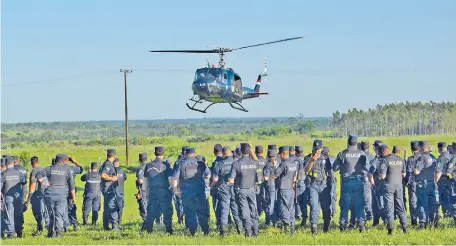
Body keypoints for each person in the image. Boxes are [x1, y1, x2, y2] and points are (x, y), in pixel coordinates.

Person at [171, 147, 211, 236]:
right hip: (200, 191)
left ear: (185, 154)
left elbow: (174, 179)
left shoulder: (180, 163)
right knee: (202, 211)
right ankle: (206, 231)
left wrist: (176, 191)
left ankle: (193, 232)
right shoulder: (200, 163)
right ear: (194, 154)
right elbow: (208, 175)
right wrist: (204, 184)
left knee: (190, 212)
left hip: (187, 192)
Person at [333, 135, 368, 232]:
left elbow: (334, 168)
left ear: (348, 142)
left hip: (346, 182)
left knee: (345, 205)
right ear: (357, 143)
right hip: (359, 182)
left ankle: (343, 225)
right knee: (360, 204)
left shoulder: (342, 154)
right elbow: (367, 168)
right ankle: (361, 225)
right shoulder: (362, 153)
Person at [37, 154, 76, 238]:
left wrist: (45, 183)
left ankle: (50, 232)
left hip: (50, 194)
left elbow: (38, 176)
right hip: (61, 195)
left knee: (50, 214)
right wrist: (73, 198)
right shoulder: (67, 170)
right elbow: (71, 186)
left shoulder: (49, 168)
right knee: (59, 214)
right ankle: (59, 233)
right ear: (63, 161)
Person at [228, 143, 259, 237]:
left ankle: (248, 232)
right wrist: (251, 150)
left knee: (244, 211)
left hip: (241, 190)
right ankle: (256, 232)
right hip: (252, 190)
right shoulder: (254, 163)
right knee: (253, 210)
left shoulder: (236, 164)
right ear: (249, 151)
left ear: (240, 151)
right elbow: (256, 160)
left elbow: (231, 180)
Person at [211, 146, 242, 236]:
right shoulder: (236, 162)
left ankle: (223, 232)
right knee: (235, 209)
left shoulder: (219, 164)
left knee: (224, 211)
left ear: (223, 154)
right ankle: (240, 230)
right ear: (231, 153)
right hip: (235, 189)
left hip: (224, 189)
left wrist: (211, 186)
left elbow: (215, 179)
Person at [141, 146, 173, 234]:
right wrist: (174, 189)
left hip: (152, 192)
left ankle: (149, 231)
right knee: (167, 212)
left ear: (155, 154)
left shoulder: (148, 165)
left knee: (151, 212)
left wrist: (144, 192)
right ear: (163, 153)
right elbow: (170, 179)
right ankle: (169, 231)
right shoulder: (166, 165)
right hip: (164, 192)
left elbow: (145, 182)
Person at [377, 144, 408, 235]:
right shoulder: (401, 160)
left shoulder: (386, 160)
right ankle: (405, 229)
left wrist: (380, 176)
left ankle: (390, 230)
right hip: (399, 186)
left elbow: (383, 176)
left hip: (389, 186)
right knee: (401, 208)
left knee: (389, 208)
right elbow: (404, 174)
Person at [304, 140, 332, 234]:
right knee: (314, 206)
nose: (317, 152)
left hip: (324, 184)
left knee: (326, 207)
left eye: (319, 150)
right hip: (313, 185)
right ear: (313, 148)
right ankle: (314, 228)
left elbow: (330, 171)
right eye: (316, 149)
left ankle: (326, 227)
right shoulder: (308, 158)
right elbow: (305, 170)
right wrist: (312, 160)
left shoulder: (325, 158)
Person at [414, 141, 441, 229]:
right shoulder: (433, 157)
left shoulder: (422, 158)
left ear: (422, 148)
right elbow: (438, 171)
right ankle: (432, 221)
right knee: (431, 204)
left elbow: (416, 171)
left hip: (423, 184)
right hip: (431, 183)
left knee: (422, 203)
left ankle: (422, 224)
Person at [274, 146, 299, 235]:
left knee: (283, 208)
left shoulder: (283, 164)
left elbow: (275, 174)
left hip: (283, 189)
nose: (279, 157)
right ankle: (292, 230)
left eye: (280, 155)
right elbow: (295, 177)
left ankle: (287, 229)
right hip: (291, 189)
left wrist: (275, 165)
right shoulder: (293, 164)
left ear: (282, 154)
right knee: (291, 209)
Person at [0, 156, 27, 239]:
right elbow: (24, 184)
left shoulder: (3, 174)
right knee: (18, 215)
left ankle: (10, 234)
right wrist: (23, 196)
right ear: (13, 163)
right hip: (18, 197)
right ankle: (19, 232)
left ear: (5, 164)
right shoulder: (20, 173)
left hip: (8, 197)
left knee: (9, 215)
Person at [24, 156, 49, 235]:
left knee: (37, 213)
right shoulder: (43, 170)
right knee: (45, 212)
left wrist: (28, 200)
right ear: (38, 162)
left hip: (36, 196)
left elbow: (33, 186)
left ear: (32, 163)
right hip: (44, 194)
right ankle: (48, 229)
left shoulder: (34, 171)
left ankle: (40, 229)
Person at [100, 149, 119, 230]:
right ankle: (115, 226)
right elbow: (103, 175)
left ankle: (106, 226)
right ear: (114, 156)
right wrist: (112, 179)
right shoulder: (108, 164)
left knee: (107, 208)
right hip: (108, 188)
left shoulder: (106, 163)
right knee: (112, 206)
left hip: (106, 188)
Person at [63, 155, 83, 232]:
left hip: (63, 190)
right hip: (72, 190)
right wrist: (74, 161)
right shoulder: (72, 168)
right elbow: (81, 169)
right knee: (72, 207)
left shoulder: (60, 168)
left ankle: (65, 226)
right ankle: (74, 224)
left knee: (63, 208)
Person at [369, 140, 386, 226]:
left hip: (378, 184)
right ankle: (383, 220)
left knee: (379, 203)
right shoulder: (388, 158)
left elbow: (370, 173)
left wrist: (372, 184)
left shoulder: (376, 160)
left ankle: (381, 221)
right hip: (387, 185)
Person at [12, 155, 26, 236]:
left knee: (14, 213)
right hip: (22, 193)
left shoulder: (14, 169)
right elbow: (24, 183)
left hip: (14, 193)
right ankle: (20, 229)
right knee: (20, 213)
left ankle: (15, 230)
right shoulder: (23, 169)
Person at [359, 141, 374, 221]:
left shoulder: (360, 155)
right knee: (368, 198)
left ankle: (368, 215)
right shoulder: (372, 156)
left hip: (360, 179)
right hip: (369, 180)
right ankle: (369, 214)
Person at [436, 142, 452, 218]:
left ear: (439, 148)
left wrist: (435, 182)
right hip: (451, 180)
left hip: (442, 180)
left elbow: (438, 172)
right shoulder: (451, 155)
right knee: (450, 197)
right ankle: (450, 214)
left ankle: (446, 214)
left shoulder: (441, 158)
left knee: (443, 198)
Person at [263, 149, 278, 227]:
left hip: (270, 185)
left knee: (270, 203)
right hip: (277, 186)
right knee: (274, 203)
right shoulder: (277, 163)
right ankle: (274, 220)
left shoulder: (267, 165)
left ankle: (269, 221)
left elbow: (266, 178)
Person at [173, 146, 188, 224]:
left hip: (180, 185)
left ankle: (180, 221)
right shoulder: (193, 161)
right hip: (190, 186)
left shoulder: (178, 162)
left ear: (182, 153)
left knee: (180, 204)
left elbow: (174, 176)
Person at [210, 144, 223, 226]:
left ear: (214, 152)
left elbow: (215, 178)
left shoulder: (215, 163)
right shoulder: (226, 160)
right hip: (227, 187)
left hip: (217, 188)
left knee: (217, 206)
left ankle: (219, 223)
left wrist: (211, 187)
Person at [136, 153, 149, 229]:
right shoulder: (150, 166)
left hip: (143, 191)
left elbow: (140, 181)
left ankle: (146, 228)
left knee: (144, 210)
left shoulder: (141, 169)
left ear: (139, 160)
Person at [113, 158, 127, 227]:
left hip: (112, 192)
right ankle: (119, 222)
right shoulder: (122, 171)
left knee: (112, 207)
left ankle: (113, 222)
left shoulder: (111, 171)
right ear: (119, 163)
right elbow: (125, 178)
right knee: (120, 207)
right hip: (121, 192)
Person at [255, 145, 266, 217]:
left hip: (255, 184)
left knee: (257, 200)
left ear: (255, 152)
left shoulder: (254, 161)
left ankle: (258, 213)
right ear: (262, 152)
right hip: (265, 184)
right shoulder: (266, 161)